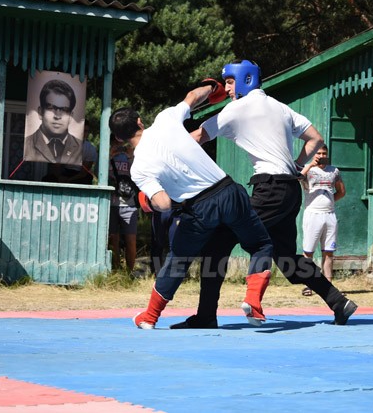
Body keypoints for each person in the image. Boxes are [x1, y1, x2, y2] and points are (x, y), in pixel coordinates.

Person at [184, 60, 357, 329]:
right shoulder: (281, 108)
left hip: (270, 188)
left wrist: (164, 137)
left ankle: (215, 312)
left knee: (218, 243)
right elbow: (316, 139)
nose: (227, 89)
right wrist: (298, 166)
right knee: (288, 261)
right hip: (289, 190)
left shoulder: (236, 109)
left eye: (230, 82)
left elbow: (196, 138)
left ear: (246, 80)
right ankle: (338, 302)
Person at [109, 79, 274, 329]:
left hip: (197, 208)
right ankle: (253, 300)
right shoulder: (166, 118)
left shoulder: (139, 167)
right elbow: (193, 95)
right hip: (227, 191)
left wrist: (149, 204)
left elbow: (163, 203)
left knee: (177, 261)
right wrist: (214, 87)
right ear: (140, 121)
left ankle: (150, 317)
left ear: (119, 139)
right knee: (261, 244)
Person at [300, 144, 346, 296]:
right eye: (318, 153)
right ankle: (308, 284)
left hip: (329, 214)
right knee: (308, 252)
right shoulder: (308, 169)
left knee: (328, 252)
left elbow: (341, 191)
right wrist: (310, 165)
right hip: (313, 214)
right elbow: (297, 178)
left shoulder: (334, 170)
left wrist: (329, 201)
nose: (321, 155)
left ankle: (328, 286)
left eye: (324, 153)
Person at [24, 79, 83, 165]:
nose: (57, 116)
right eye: (51, 108)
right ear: (40, 112)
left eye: (65, 110)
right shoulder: (27, 144)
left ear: (71, 116)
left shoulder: (80, 147)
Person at [108, 135, 138, 272]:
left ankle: (130, 273)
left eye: (122, 143)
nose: (119, 147)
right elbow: (96, 173)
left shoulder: (132, 157)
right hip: (111, 203)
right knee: (113, 239)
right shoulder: (107, 157)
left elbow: (139, 174)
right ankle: (115, 270)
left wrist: (131, 156)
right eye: (115, 143)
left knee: (131, 240)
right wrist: (109, 155)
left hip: (129, 204)